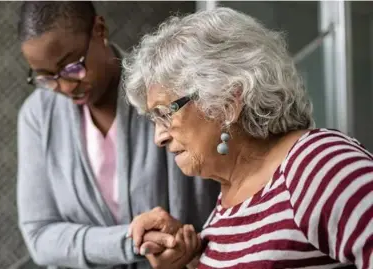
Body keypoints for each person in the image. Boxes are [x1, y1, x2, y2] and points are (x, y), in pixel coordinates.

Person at [122, 7, 373, 269]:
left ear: (227, 102)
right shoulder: (228, 201)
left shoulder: (317, 164)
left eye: (165, 114)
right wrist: (183, 260)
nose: (158, 138)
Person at [15, 2, 220, 269]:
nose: (64, 86)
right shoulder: (38, 116)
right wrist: (132, 241)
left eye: (72, 67)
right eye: (46, 77)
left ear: (99, 30)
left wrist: (182, 248)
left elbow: (222, 191)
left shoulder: (167, 90)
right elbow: (40, 235)